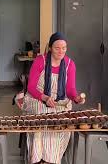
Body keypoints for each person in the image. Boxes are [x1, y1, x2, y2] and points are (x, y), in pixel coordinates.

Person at [22, 32, 85, 164]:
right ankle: (38, 158)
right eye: (57, 48)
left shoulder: (69, 64)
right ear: (50, 48)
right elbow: (31, 87)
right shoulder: (41, 61)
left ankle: (51, 159)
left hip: (59, 100)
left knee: (61, 121)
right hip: (37, 98)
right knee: (42, 117)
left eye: (64, 48)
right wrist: (44, 97)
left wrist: (76, 98)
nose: (61, 51)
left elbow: (70, 90)